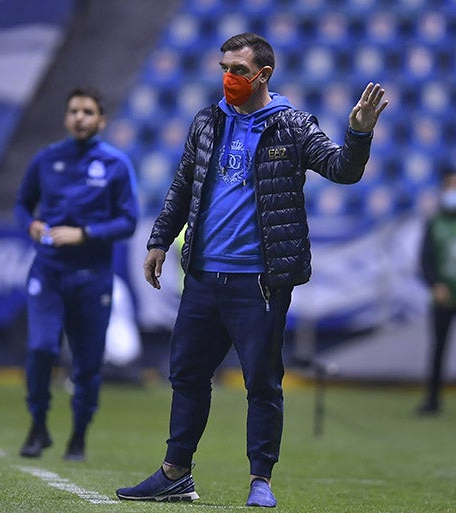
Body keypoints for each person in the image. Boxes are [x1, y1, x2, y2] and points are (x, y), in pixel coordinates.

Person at [115, 33, 387, 507]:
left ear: (263, 75)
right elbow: (184, 185)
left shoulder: (293, 125)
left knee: (261, 383)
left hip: (259, 282)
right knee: (187, 375)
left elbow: (343, 169)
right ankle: (175, 473)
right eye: (224, 66)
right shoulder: (207, 120)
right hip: (202, 275)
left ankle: (260, 480)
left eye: (239, 70)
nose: (229, 77)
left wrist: (359, 132)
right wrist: (159, 239)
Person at [14, 86, 139, 461]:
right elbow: (23, 203)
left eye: (87, 111)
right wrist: (32, 225)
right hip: (49, 271)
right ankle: (38, 425)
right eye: (73, 111)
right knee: (41, 348)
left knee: (87, 364)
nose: (79, 117)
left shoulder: (116, 165)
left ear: (101, 120)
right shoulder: (47, 159)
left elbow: (129, 221)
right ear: (66, 117)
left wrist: (85, 234)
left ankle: (79, 435)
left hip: (92, 276)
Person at [416, 168, 456, 415]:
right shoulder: (434, 222)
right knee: (438, 350)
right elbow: (425, 259)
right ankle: (433, 400)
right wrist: (435, 284)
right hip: (442, 296)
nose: (454, 192)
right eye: (449, 187)